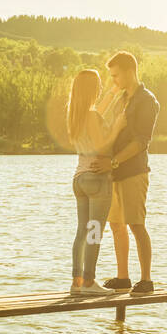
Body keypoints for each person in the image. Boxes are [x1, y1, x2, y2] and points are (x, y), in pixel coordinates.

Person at [89, 50, 159, 294]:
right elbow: (96, 115)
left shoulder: (147, 101)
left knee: (136, 224)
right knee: (116, 224)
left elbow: (141, 142)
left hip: (133, 171)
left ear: (130, 71)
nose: (114, 80)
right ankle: (123, 277)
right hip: (114, 172)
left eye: (116, 76)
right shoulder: (120, 98)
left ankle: (147, 280)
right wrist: (111, 91)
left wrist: (114, 163)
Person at [65, 69, 121, 295]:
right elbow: (104, 145)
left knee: (82, 232)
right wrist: (118, 126)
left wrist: (112, 93)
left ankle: (77, 282)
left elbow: (97, 112)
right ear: (91, 90)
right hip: (97, 179)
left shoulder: (75, 115)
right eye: (97, 85)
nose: (100, 89)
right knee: (95, 231)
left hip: (79, 178)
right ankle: (90, 282)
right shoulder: (93, 116)